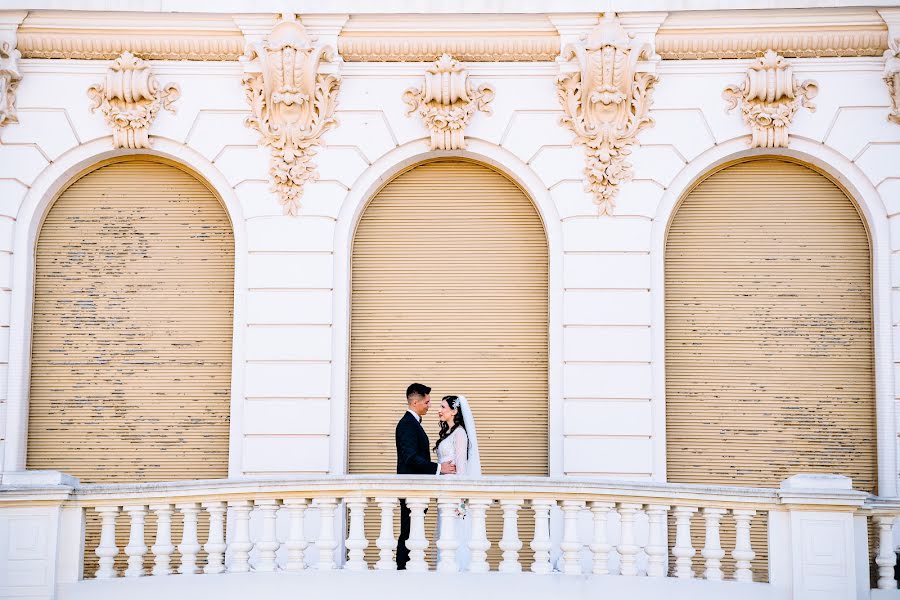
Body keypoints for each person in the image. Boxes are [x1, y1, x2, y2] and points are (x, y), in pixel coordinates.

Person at [395, 383, 456, 570]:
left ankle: (408, 566)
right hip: (411, 488)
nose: (430, 406)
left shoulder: (412, 423)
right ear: (415, 402)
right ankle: (402, 568)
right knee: (408, 531)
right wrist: (439, 468)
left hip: (418, 489)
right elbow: (410, 458)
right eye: (427, 402)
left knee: (413, 531)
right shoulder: (407, 425)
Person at [434, 394, 482, 571]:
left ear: (454, 411)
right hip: (444, 491)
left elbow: (461, 467)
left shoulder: (460, 433)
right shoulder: (449, 433)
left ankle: (458, 568)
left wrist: (462, 501)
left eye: (443, 407)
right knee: (446, 532)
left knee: (455, 530)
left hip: (454, 493)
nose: (439, 411)